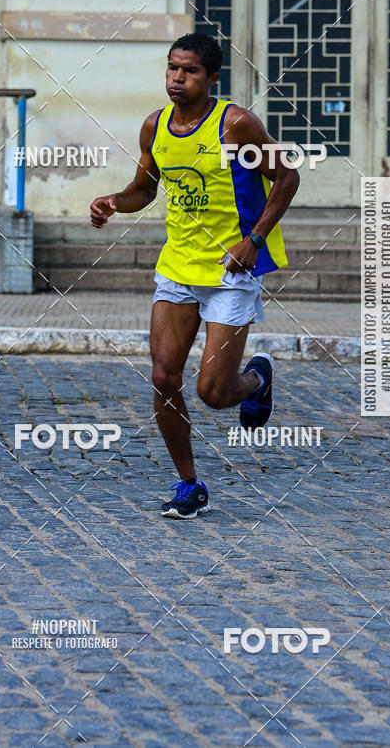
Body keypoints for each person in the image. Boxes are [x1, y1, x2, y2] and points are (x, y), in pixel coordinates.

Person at [90, 33, 299, 519]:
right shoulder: (155, 126)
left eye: (189, 71)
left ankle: (257, 379)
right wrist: (113, 203)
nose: (177, 79)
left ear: (211, 78)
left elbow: (286, 176)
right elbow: (144, 188)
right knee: (164, 375)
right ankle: (189, 484)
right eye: (171, 69)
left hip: (232, 269)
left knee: (213, 393)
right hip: (178, 266)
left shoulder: (235, 125)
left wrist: (256, 240)